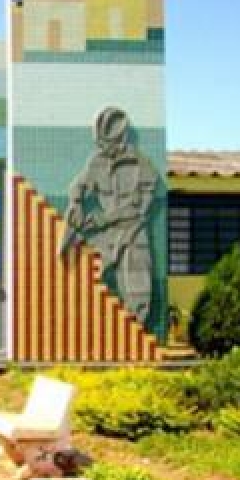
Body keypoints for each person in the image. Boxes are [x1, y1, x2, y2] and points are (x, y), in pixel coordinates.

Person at [60, 106, 157, 324]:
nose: (101, 148)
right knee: (84, 265)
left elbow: (139, 208)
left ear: (120, 140)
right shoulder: (98, 161)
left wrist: (104, 219)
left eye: (105, 143)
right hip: (105, 235)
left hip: (132, 234)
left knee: (137, 288)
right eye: (99, 143)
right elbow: (78, 185)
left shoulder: (142, 167)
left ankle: (134, 331)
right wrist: (76, 203)